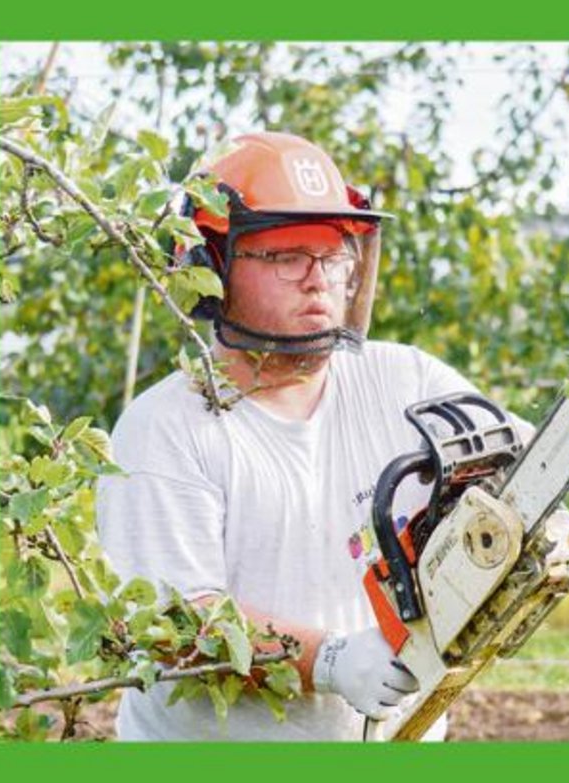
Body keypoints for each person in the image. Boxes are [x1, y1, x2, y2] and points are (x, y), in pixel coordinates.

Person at [97, 131, 531, 741]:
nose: (318, 279)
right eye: (286, 256)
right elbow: (170, 624)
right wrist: (327, 660)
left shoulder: (405, 378)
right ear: (211, 268)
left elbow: (525, 462)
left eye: (331, 256)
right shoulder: (165, 429)